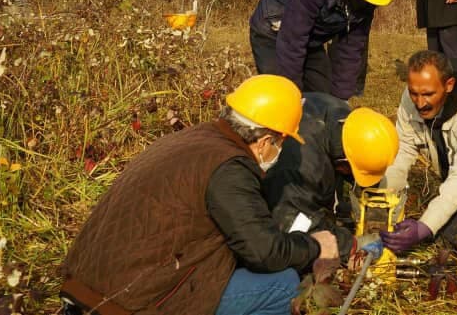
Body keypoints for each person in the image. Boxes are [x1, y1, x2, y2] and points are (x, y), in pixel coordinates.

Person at [60, 75, 341, 315]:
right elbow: (264, 253)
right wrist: (315, 246)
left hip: (86, 283)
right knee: (283, 284)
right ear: (266, 141)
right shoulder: (231, 169)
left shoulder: (196, 140)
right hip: (124, 302)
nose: (281, 150)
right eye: (282, 142)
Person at [377, 50, 457, 253]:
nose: (419, 103)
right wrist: (386, 198)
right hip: (455, 172)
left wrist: (425, 226)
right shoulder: (411, 97)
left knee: (448, 236)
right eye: (414, 93)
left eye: (428, 94)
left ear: (449, 85)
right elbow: (402, 149)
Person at [249, 0, 400, 99]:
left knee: (325, 99)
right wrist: (292, 95)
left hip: (310, 37)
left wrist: (341, 102)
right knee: (281, 97)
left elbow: (352, 49)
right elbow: (292, 42)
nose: (367, 1)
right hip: (272, 30)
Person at [263, 93, 400, 257]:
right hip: (268, 213)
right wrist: (349, 244)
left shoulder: (342, 118)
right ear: (343, 163)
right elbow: (293, 222)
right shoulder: (302, 167)